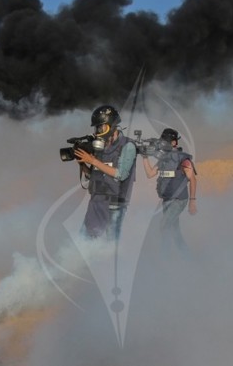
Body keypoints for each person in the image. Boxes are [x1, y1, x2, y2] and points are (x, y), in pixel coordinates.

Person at [74, 105, 137, 241]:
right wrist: (83, 164)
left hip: (115, 205)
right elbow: (93, 176)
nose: (98, 132)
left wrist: (92, 160)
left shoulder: (128, 146)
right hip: (96, 202)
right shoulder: (101, 148)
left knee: (110, 245)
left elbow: (121, 174)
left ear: (112, 126)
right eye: (96, 128)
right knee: (83, 241)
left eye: (101, 127)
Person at [141, 128, 197, 255]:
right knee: (174, 230)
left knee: (164, 225)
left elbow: (193, 180)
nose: (162, 144)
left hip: (179, 200)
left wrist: (192, 201)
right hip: (167, 199)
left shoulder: (183, 160)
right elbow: (150, 174)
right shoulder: (163, 159)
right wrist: (145, 157)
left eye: (165, 142)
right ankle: (186, 255)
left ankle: (164, 256)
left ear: (174, 143)